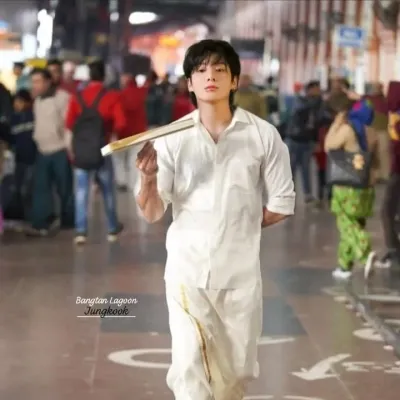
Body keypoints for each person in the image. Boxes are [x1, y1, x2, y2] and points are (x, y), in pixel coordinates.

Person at [135, 39, 295, 399]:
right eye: (201, 70)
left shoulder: (262, 136)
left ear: (234, 80)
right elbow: (153, 211)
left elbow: (282, 202)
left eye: (220, 70)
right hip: (186, 272)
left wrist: (238, 223)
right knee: (189, 369)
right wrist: (147, 178)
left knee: (235, 374)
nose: (210, 77)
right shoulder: (171, 139)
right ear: (189, 83)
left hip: (240, 276)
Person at [65, 60, 126, 245]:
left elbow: (69, 124)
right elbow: (121, 123)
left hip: (81, 150)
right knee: (108, 191)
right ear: (104, 76)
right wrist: (111, 134)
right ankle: (112, 228)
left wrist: (72, 147)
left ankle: (81, 231)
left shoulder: (77, 97)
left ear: (89, 76)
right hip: (102, 150)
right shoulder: (112, 96)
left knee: (81, 191)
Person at [324, 92, 378, 280]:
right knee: (355, 223)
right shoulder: (369, 129)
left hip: (347, 186)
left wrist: (336, 123)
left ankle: (365, 251)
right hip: (366, 184)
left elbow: (329, 146)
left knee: (345, 223)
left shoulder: (347, 129)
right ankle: (344, 266)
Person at [29, 68, 74, 236]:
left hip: (59, 150)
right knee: (41, 188)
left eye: (38, 81)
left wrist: (68, 146)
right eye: (33, 82)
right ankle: (41, 222)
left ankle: (68, 221)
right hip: (42, 150)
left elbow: (68, 124)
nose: (35, 85)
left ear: (48, 82)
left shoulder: (62, 98)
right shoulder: (37, 101)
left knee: (65, 188)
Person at [374, 81, 400, 270]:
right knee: (390, 211)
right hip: (395, 170)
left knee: (387, 211)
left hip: (397, 172)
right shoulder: (393, 117)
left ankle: (393, 250)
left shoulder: (396, 120)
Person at [0, 89, 36, 224]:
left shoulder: (33, 116)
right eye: (16, 102)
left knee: (27, 190)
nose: (17, 104)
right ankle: (22, 217)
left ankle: (30, 218)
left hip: (33, 159)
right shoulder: (12, 119)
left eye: (20, 101)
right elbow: (9, 137)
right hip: (19, 160)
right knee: (19, 189)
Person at [115, 70, 148, 192]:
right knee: (134, 160)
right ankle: (133, 184)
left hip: (122, 133)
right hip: (139, 133)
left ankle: (121, 181)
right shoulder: (142, 93)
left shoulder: (120, 95)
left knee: (119, 160)